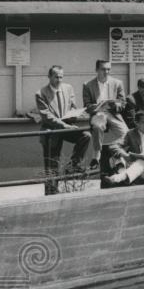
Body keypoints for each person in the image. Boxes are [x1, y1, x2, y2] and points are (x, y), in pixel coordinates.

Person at [35, 65, 91, 195]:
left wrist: (76, 114)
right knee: (52, 164)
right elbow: (46, 116)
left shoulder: (68, 88)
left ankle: (73, 166)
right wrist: (63, 125)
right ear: (49, 77)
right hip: (51, 130)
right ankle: (51, 193)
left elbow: (72, 106)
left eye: (61, 77)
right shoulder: (41, 93)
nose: (59, 80)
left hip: (67, 127)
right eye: (56, 77)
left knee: (85, 135)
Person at [82, 59, 128, 169]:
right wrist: (95, 106)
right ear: (97, 70)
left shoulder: (117, 83)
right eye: (103, 69)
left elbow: (123, 103)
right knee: (97, 127)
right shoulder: (88, 85)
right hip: (98, 113)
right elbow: (87, 106)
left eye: (108, 69)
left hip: (113, 114)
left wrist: (115, 105)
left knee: (126, 133)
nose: (106, 72)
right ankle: (96, 156)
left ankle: (115, 152)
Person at [103, 111, 144, 186]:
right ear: (136, 123)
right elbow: (113, 146)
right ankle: (126, 177)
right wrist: (125, 155)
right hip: (136, 168)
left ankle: (118, 179)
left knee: (141, 161)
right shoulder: (130, 133)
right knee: (115, 157)